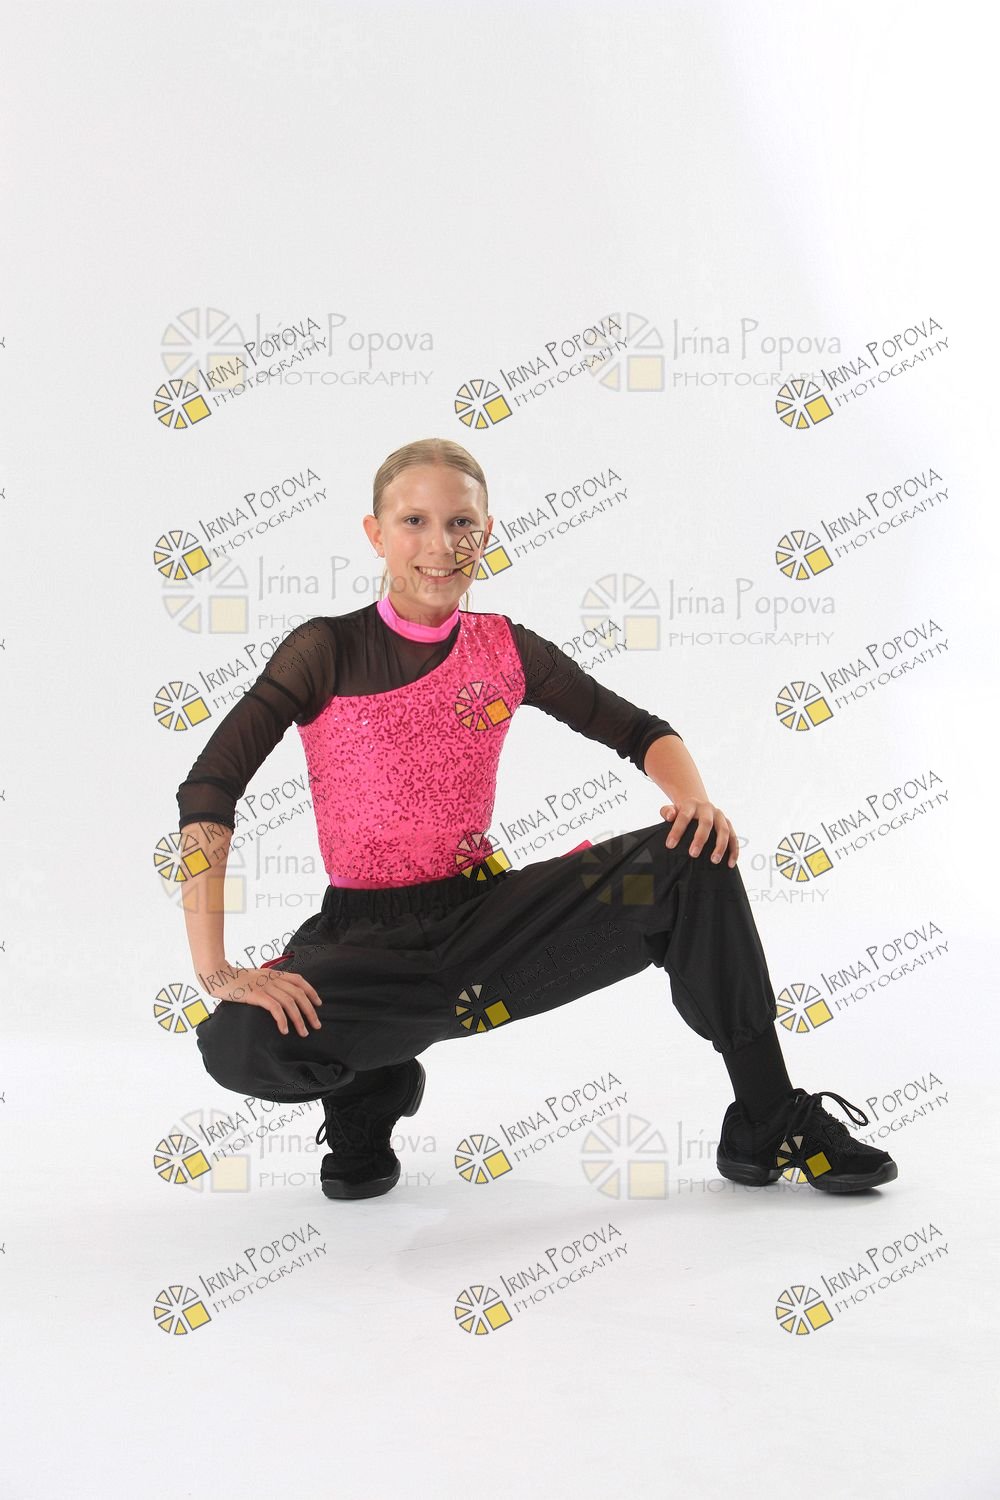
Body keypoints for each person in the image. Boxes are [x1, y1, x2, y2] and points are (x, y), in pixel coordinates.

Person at [176, 437, 898, 1202]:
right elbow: (208, 790)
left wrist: (694, 802)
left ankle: (767, 1117)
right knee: (237, 1042)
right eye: (414, 521)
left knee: (695, 855)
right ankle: (368, 1088)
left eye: (461, 523)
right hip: (360, 944)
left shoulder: (505, 650)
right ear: (375, 534)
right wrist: (215, 968)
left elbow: (643, 731)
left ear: (485, 534)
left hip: (488, 928)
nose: (440, 544)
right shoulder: (325, 649)